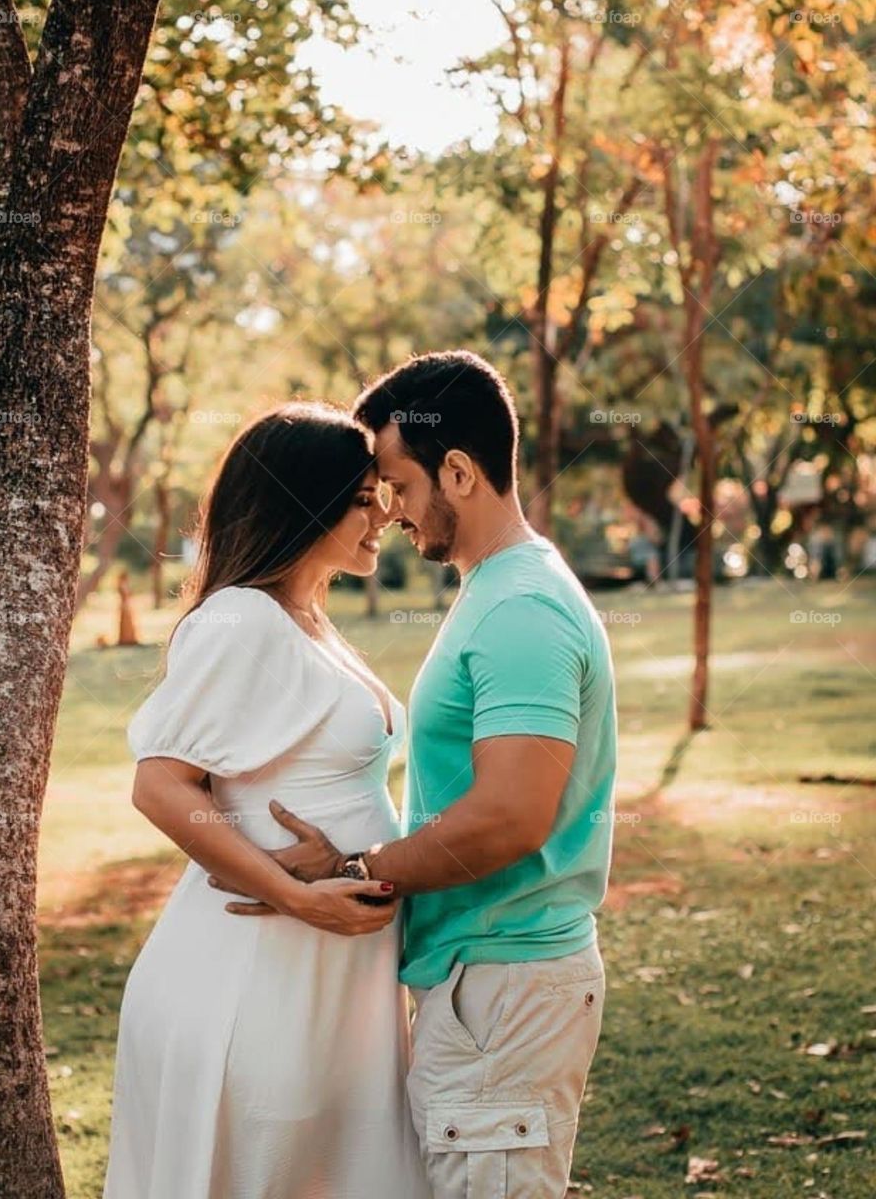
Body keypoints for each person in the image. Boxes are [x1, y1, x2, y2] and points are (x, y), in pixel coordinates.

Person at [219, 351, 620, 1199]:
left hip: (505, 985)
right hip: (484, 980)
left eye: (397, 484)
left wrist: (358, 870)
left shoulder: (520, 610)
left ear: (461, 472)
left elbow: (511, 816)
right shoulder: (498, 590)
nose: (388, 509)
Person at [103, 403, 430, 1199]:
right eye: (360, 498)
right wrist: (292, 893)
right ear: (301, 505)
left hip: (331, 970)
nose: (382, 512)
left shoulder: (308, 619)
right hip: (255, 976)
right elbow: (160, 781)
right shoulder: (242, 618)